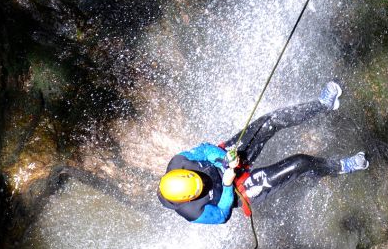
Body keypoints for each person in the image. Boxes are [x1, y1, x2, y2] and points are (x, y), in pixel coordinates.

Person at [157, 81, 369, 224]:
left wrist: (222, 159)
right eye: (200, 188)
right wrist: (229, 184)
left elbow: (204, 149)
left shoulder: (179, 162)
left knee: (270, 122)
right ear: (190, 197)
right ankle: (341, 167)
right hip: (240, 189)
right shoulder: (193, 212)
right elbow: (222, 215)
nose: (202, 182)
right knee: (300, 163)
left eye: (198, 178)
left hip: (226, 160)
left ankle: (323, 105)